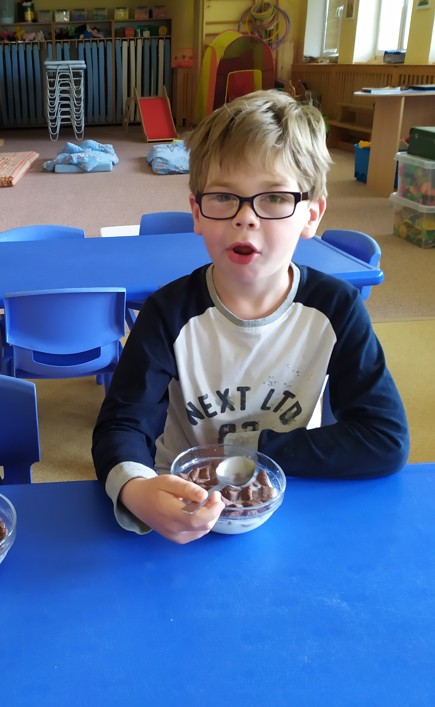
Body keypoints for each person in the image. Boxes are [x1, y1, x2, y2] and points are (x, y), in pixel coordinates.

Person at [92, 90, 410, 544]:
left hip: (281, 500)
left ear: (311, 215)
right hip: (181, 501)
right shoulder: (168, 312)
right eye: (224, 197)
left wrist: (249, 450)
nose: (246, 218)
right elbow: (122, 423)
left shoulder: (336, 309)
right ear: (197, 213)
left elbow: (384, 439)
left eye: (275, 197)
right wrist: (135, 489)